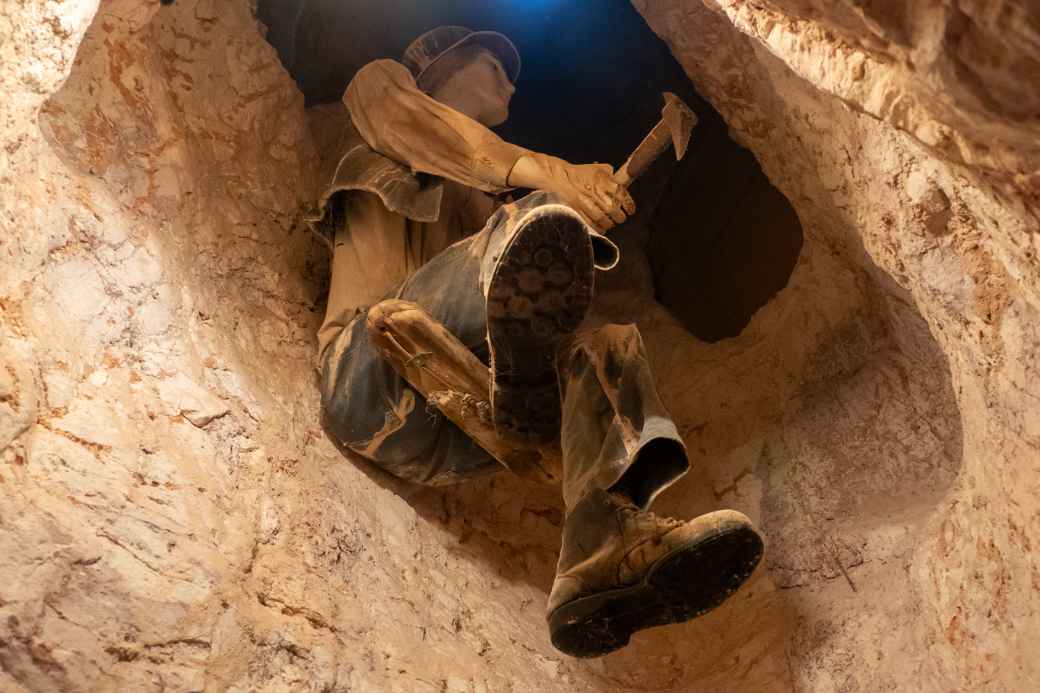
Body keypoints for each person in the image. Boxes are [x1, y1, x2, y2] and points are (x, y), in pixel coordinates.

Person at [309, 26, 763, 658]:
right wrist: (553, 180)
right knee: (533, 221)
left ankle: (602, 550)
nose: (512, 82)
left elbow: (514, 224)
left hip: (447, 433)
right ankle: (522, 363)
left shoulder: (484, 203)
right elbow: (414, 127)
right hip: (365, 380)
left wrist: (575, 204)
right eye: (495, 64)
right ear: (440, 68)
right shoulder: (382, 91)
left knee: (610, 345)